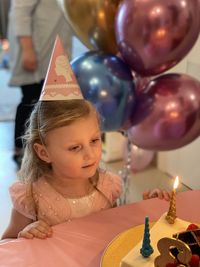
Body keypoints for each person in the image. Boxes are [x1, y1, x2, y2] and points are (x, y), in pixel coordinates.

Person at [1, 37, 170, 241]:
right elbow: (6, 246)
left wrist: (147, 207)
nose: (90, 154)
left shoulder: (107, 186)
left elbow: (117, 227)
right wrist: (24, 235)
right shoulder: (31, 198)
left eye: (94, 140)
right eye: (74, 148)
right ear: (44, 152)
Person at [7, 0, 72, 166]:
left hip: (54, 49)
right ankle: (21, 149)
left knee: (52, 103)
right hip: (35, 50)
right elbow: (19, 12)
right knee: (31, 100)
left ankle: (47, 150)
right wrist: (27, 50)